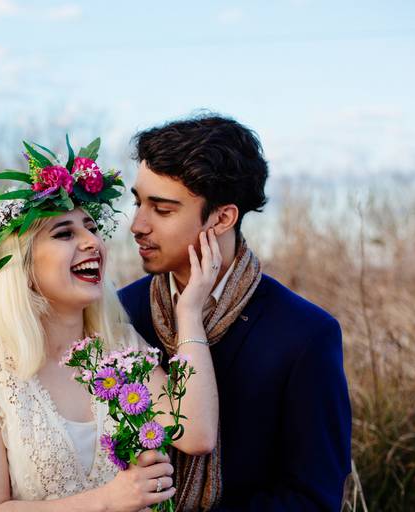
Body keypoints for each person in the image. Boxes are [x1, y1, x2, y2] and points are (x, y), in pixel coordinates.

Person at [0, 137, 222, 511]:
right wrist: (107, 501)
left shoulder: (120, 350)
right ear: (22, 267)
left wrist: (189, 313)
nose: (92, 242)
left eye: (91, 228)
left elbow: (196, 434)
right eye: (64, 233)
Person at [118, 114, 352, 511]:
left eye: (162, 209)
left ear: (223, 217)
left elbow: (313, 495)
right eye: (139, 202)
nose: (137, 225)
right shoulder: (121, 313)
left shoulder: (304, 334)